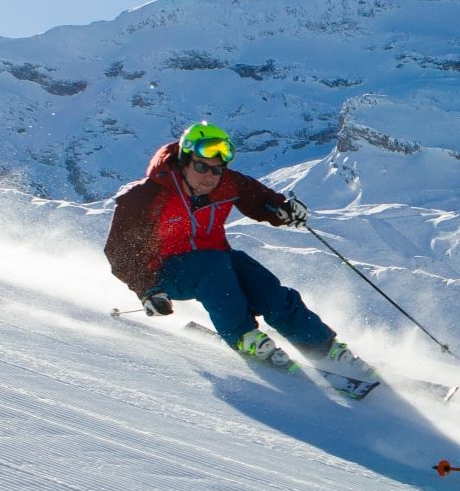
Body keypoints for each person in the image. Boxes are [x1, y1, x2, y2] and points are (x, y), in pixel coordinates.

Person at [106, 121, 375, 383]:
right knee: (211, 267)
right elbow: (118, 250)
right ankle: (243, 337)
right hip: (164, 273)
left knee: (262, 283)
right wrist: (148, 290)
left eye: (217, 169)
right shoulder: (146, 196)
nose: (210, 176)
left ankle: (323, 348)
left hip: (218, 263)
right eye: (201, 167)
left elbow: (260, 200)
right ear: (183, 162)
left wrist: (283, 210)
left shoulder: (227, 184)